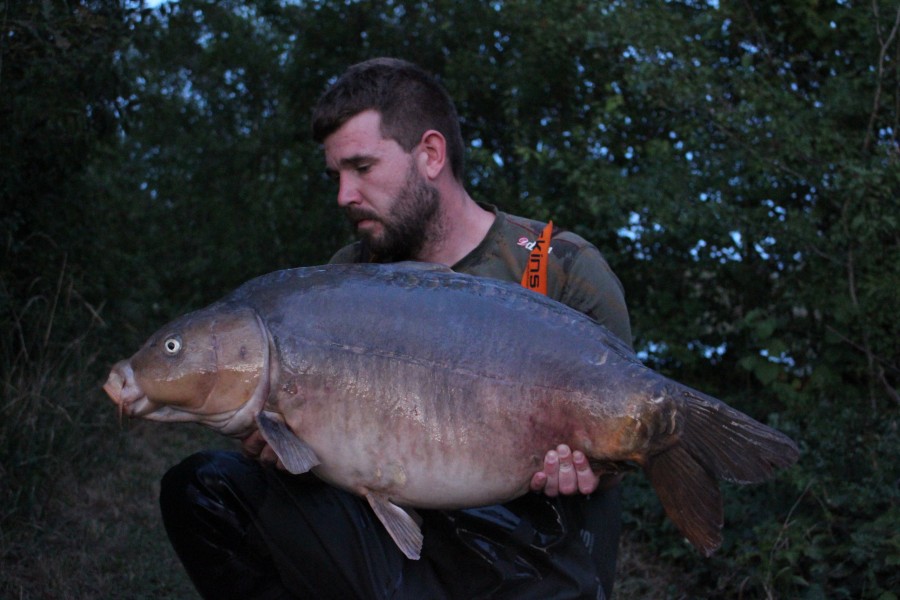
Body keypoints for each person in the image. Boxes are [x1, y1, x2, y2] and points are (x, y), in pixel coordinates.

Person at [159, 58, 633, 600]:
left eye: (362, 167)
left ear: (430, 154)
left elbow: (627, 439)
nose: (344, 195)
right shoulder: (342, 280)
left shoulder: (559, 265)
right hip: (392, 548)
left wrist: (596, 465)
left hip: (531, 562)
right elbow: (323, 450)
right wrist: (281, 443)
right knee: (203, 491)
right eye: (336, 175)